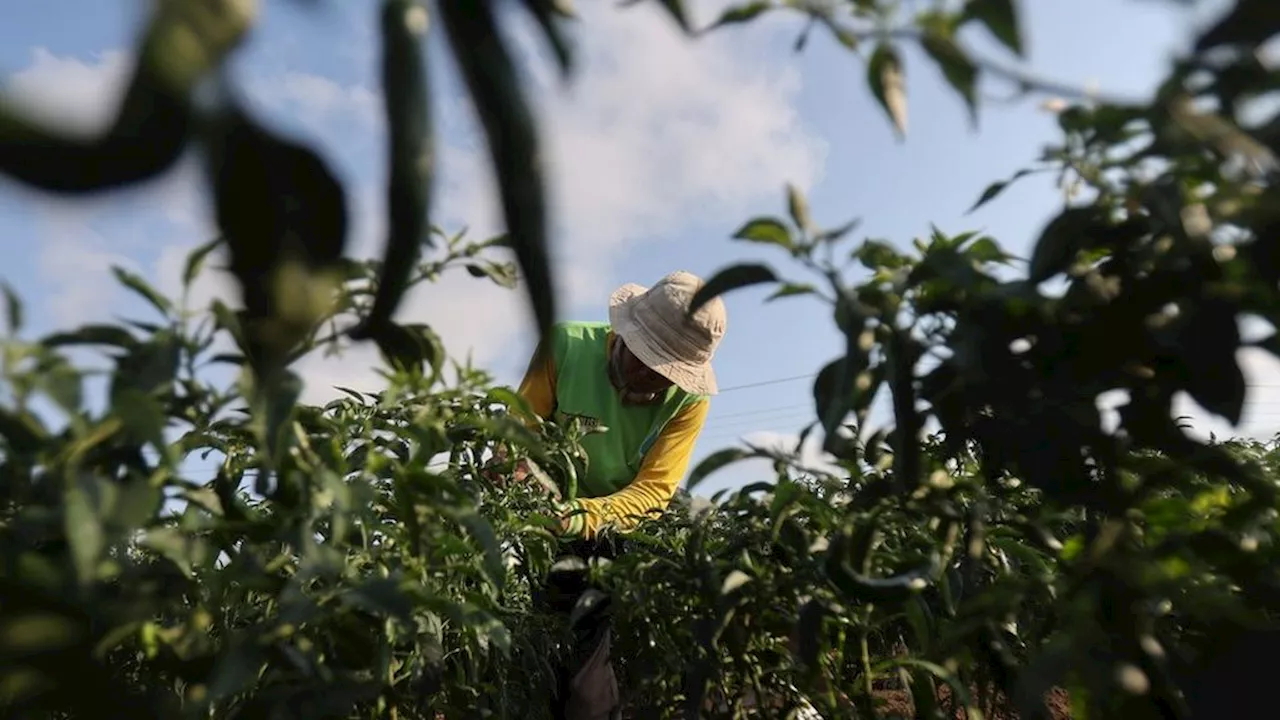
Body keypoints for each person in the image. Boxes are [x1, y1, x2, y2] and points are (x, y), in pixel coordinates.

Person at [509, 270, 727, 720]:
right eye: (645, 361)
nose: (651, 378)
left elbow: (655, 490)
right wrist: (515, 474)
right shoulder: (565, 346)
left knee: (679, 659)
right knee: (554, 662)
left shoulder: (688, 402)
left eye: (667, 373)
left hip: (630, 527)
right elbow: (517, 439)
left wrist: (581, 516)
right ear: (624, 336)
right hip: (551, 525)